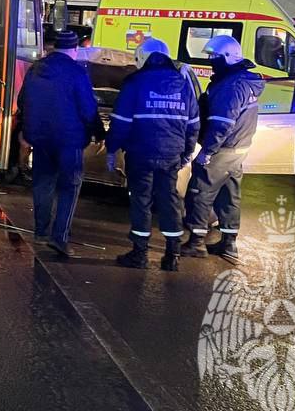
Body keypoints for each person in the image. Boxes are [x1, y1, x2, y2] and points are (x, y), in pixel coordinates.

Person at [105, 38, 199, 271]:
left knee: (141, 200)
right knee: (169, 200)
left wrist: (111, 148)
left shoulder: (135, 82)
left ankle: (140, 254)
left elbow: (121, 122)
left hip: (140, 152)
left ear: (143, 58)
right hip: (171, 154)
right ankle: (172, 255)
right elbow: (193, 124)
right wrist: (187, 152)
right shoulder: (183, 84)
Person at [19, 28, 105, 258]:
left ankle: (41, 232)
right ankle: (59, 237)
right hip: (69, 140)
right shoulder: (77, 72)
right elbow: (88, 108)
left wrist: (27, 130)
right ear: (74, 49)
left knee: (43, 184)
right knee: (69, 186)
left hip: (41, 139)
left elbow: (22, 101)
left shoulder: (36, 69)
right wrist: (98, 132)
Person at [179, 35, 263, 260]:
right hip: (238, 149)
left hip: (222, 149)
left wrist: (207, 151)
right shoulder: (244, 81)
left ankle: (196, 243)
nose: (211, 60)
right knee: (229, 195)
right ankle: (229, 244)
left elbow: (222, 123)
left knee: (200, 191)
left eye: (214, 56)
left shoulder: (231, 85)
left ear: (228, 57)